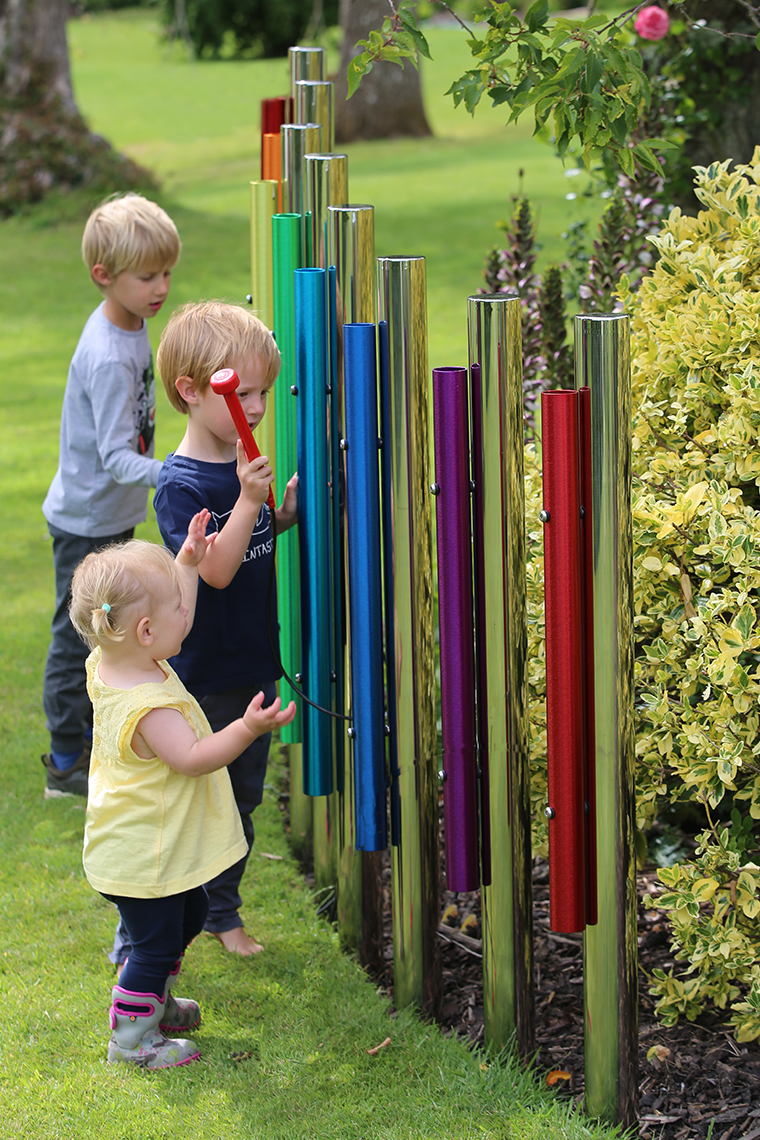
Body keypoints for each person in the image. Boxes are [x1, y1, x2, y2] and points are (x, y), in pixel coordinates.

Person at [110, 300, 298, 969]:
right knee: (190, 801)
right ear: (191, 391)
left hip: (250, 660)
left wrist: (281, 511)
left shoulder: (237, 471)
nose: (255, 407)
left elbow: (253, 543)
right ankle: (145, 925)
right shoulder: (181, 485)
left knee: (241, 800)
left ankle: (221, 910)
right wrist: (250, 501)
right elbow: (215, 570)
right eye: (240, 393)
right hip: (203, 675)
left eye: (263, 393)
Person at [69, 517, 296, 1068]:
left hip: (142, 843)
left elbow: (171, 612)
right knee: (153, 943)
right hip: (144, 853)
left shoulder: (111, 661)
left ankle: (156, 1001)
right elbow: (194, 760)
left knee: (190, 911)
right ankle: (131, 1039)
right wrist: (247, 728)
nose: (186, 617)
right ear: (146, 631)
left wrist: (187, 563)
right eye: (177, 608)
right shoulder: (151, 707)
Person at [41, 193, 181, 800]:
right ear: (105, 276)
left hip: (115, 516)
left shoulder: (132, 323)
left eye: (167, 272)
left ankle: (109, 742)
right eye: (148, 276)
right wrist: (171, 471)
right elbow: (114, 457)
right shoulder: (105, 355)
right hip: (86, 522)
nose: (161, 288)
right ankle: (66, 764)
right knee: (81, 638)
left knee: (116, 635)